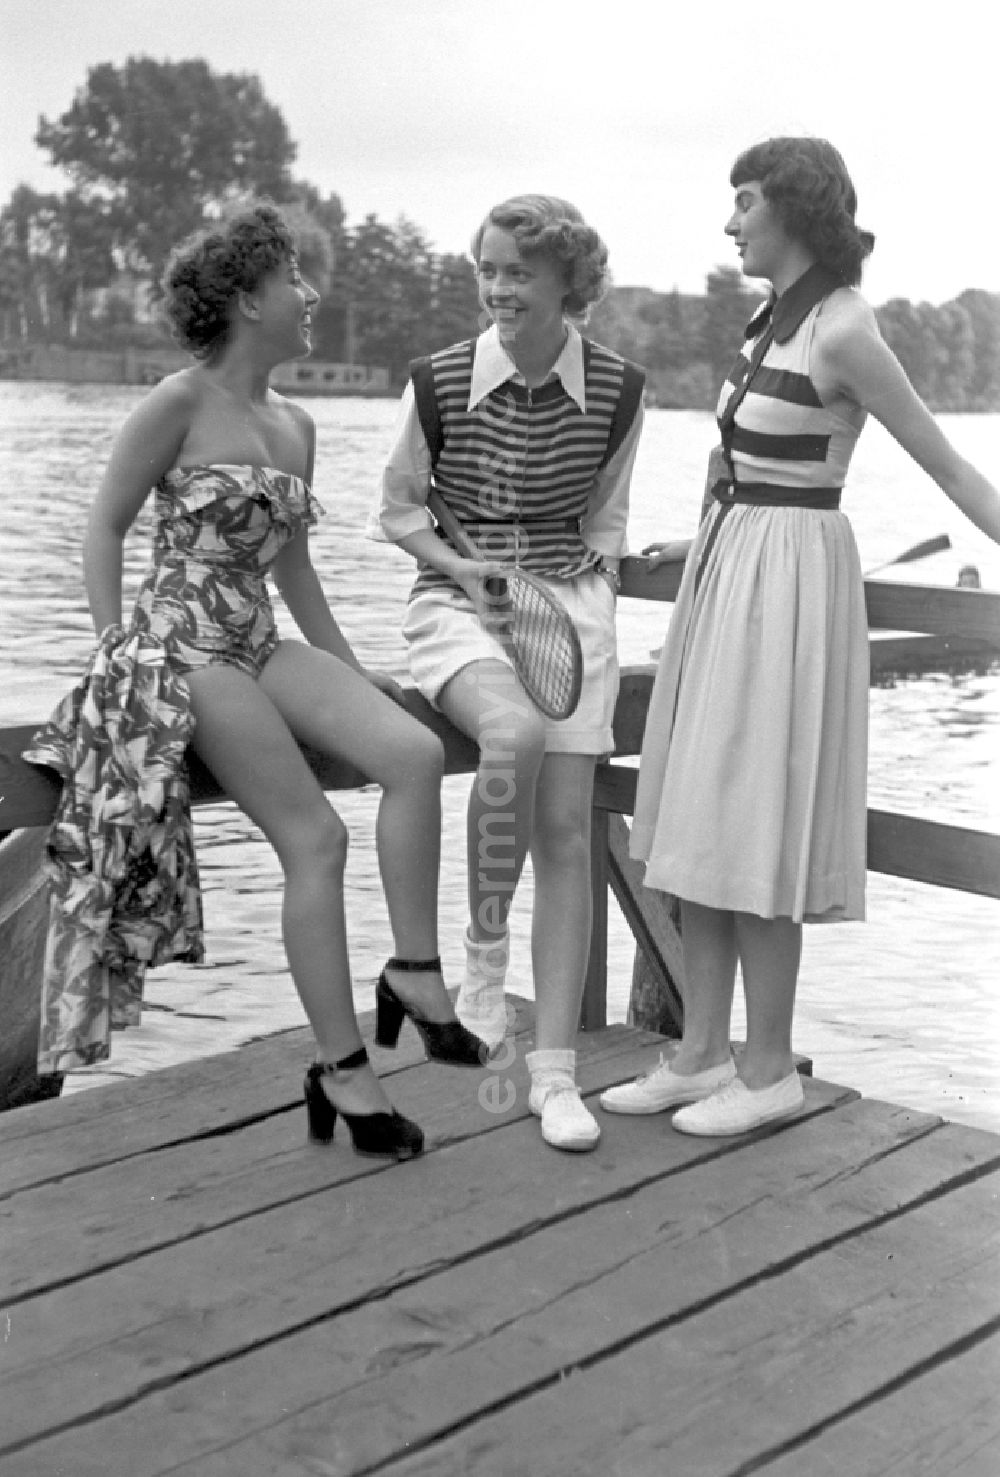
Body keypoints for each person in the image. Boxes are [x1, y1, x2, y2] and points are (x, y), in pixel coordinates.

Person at [25, 202, 489, 1163]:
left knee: (410, 750)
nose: (311, 296)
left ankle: (414, 972)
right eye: (295, 280)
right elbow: (103, 525)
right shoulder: (178, 402)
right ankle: (343, 1070)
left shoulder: (297, 423)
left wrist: (357, 678)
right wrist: (119, 645)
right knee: (315, 839)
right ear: (247, 297)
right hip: (185, 647)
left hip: (260, 632)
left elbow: (295, 567)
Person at [600, 137, 1000, 1135]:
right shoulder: (765, 321)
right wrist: (693, 543)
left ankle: (768, 1067)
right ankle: (698, 1054)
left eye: (743, 202)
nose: (729, 222)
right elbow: (728, 464)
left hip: (788, 583)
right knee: (698, 812)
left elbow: (946, 466)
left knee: (757, 819)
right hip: (728, 570)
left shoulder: (844, 329)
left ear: (796, 210)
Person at [375, 195, 645, 1151]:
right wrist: (460, 568)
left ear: (569, 284)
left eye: (517, 273)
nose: (496, 288)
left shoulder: (620, 390)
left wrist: (586, 609)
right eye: (486, 269)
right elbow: (399, 508)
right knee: (512, 734)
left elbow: (606, 525)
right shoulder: (439, 383)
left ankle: (556, 1075)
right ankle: (483, 971)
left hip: (570, 613)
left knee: (568, 834)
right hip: (457, 602)